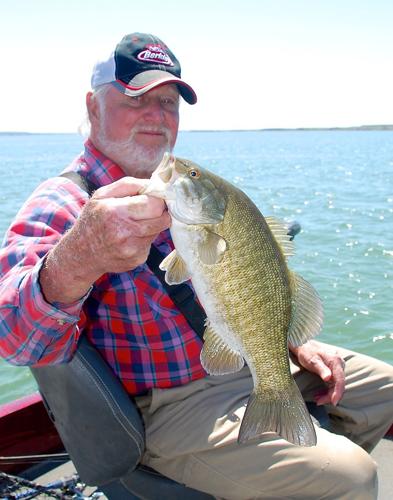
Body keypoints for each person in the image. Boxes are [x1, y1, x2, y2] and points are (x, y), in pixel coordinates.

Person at [0, 32, 392, 500]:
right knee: (353, 477)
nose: (157, 115)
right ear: (93, 107)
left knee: (384, 391)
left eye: (168, 102)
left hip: (238, 354)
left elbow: (237, 286)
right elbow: (12, 337)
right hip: (169, 404)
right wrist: (78, 256)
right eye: (135, 97)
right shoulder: (63, 203)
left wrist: (289, 344)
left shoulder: (182, 190)